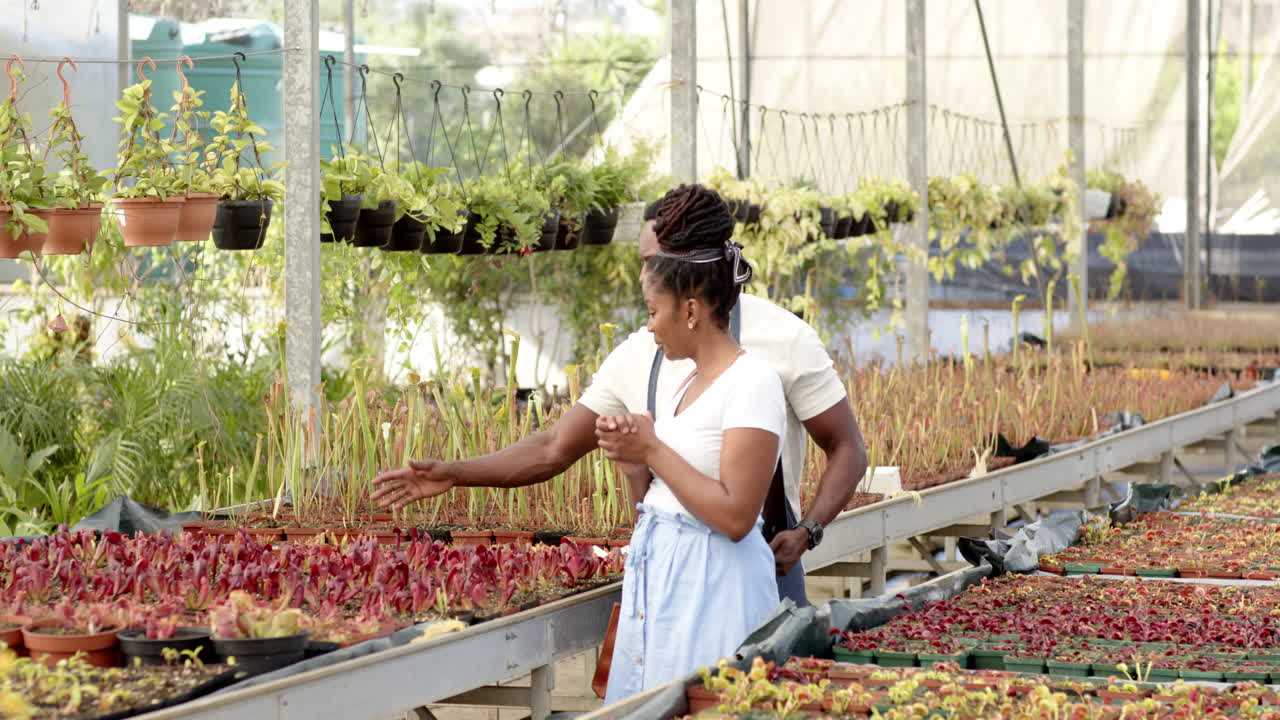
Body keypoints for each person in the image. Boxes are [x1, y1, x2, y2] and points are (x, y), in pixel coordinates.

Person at [371, 193, 869, 608]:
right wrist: (455, 472)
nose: (640, 278)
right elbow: (552, 448)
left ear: (691, 270)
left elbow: (846, 446)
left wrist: (808, 530)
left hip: (760, 575)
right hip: (670, 577)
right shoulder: (639, 352)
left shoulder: (781, 342)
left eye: (650, 264)